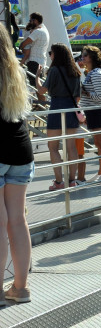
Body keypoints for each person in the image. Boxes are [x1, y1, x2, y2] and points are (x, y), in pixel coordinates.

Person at [0, 28, 34, 304]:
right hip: (20, 149)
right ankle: (20, 288)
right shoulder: (14, 70)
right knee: (17, 220)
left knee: (0, 224)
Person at [37, 44, 81, 190]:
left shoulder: (54, 70)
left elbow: (42, 91)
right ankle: (72, 180)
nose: (50, 55)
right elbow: (78, 97)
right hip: (71, 108)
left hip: (56, 109)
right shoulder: (75, 71)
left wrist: (37, 76)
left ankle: (59, 182)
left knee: (53, 147)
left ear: (56, 54)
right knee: (71, 147)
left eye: (51, 53)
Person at [79, 46, 101, 182]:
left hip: (96, 111)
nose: (82, 58)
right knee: (98, 143)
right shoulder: (93, 72)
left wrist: (85, 92)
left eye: (85, 55)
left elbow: (100, 96)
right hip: (93, 111)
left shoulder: (96, 73)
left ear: (92, 57)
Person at [19, 13, 50, 101]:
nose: (30, 22)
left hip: (34, 61)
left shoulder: (38, 31)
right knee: (37, 85)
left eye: (30, 20)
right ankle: (41, 104)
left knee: (37, 87)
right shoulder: (44, 30)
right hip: (40, 60)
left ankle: (42, 104)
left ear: (35, 21)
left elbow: (25, 43)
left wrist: (20, 46)